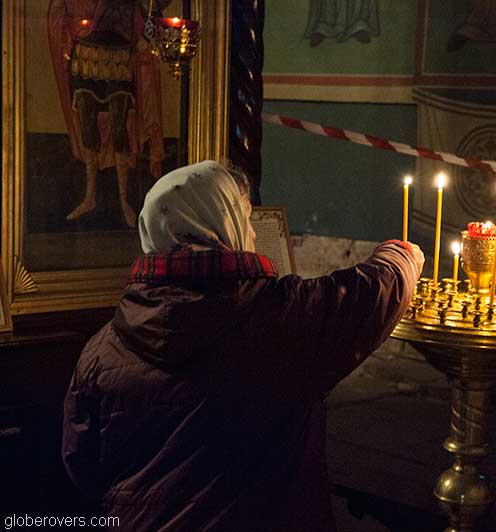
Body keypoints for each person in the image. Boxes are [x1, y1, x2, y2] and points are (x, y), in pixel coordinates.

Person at [61, 160, 424, 531]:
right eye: (245, 219)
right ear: (223, 225)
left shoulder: (102, 349)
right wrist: (402, 254)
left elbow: (82, 467)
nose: (251, 233)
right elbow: (369, 295)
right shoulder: (285, 318)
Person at [48, 0, 169, 227]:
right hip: (85, 56)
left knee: (119, 128)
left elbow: (146, 16)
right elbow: (62, 13)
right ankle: (90, 196)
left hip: (119, 58)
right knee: (87, 126)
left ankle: (124, 200)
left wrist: (147, 29)